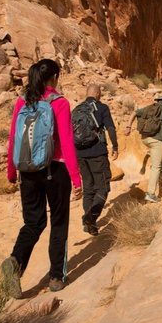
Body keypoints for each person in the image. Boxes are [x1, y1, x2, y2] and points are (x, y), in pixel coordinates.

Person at [2, 59, 82, 299]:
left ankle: (15, 261)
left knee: (33, 223)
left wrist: (11, 171)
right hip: (54, 171)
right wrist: (76, 178)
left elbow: (14, 138)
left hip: (27, 171)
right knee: (59, 223)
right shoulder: (60, 103)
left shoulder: (22, 101)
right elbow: (67, 142)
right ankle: (57, 276)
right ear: (54, 77)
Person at [74, 84, 119, 236]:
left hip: (79, 154)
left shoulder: (77, 109)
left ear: (87, 94)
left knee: (88, 189)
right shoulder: (102, 108)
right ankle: (91, 217)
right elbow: (110, 128)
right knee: (103, 187)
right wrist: (115, 146)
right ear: (98, 94)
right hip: (97, 153)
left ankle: (89, 224)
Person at [124, 92, 162, 203]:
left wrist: (128, 126)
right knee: (156, 167)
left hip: (145, 138)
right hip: (156, 140)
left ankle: (150, 189)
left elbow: (134, 113)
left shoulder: (150, 107)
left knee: (154, 157)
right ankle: (150, 194)